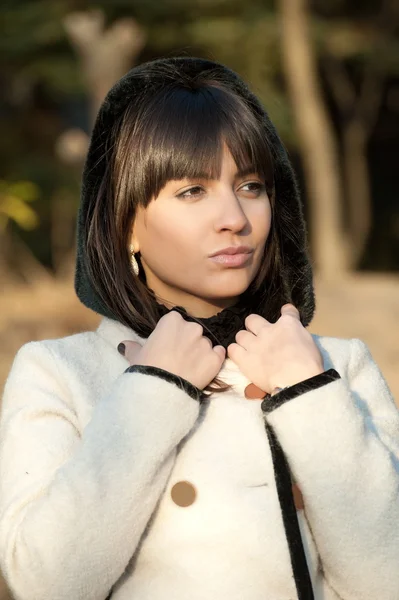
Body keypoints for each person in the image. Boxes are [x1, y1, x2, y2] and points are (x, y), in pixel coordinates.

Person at [0, 57, 398, 600]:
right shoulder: (60, 373)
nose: (234, 217)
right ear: (126, 224)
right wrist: (156, 388)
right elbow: (44, 585)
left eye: (252, 186)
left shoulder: (336, 366)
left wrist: (308, 393)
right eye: (192, 191)